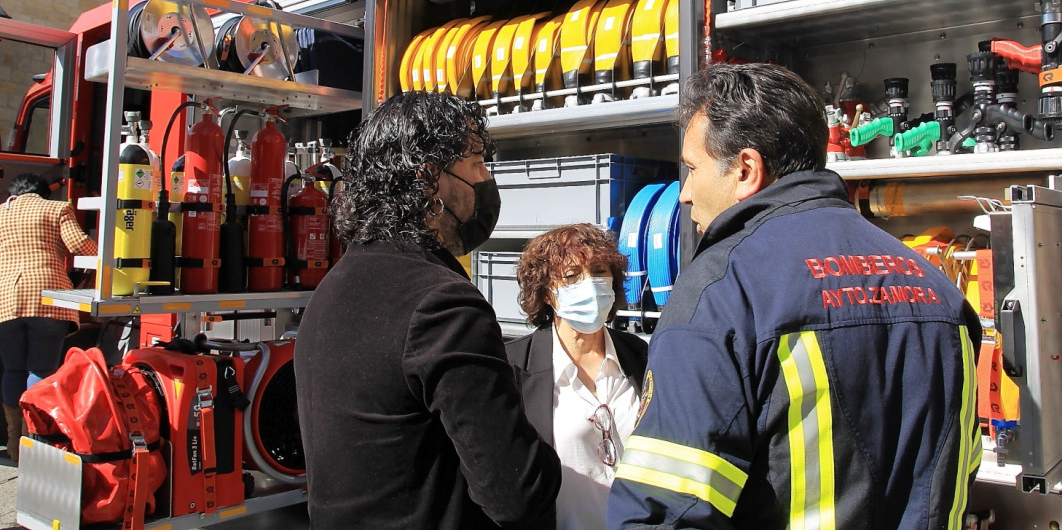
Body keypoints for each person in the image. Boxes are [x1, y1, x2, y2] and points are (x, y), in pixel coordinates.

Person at [607, 63, 982, 530]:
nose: (683, 194)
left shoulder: (723, 290)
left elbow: (662, 513)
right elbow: (959, 467)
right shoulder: (938, 291)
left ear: (746, 170)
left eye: (692, 168)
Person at [295, 92, 561, 530]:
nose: (487, 177)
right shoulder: (442, 304)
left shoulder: (333, 288)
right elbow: (516, 492)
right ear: (428, 179)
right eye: (476, 163)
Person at [506, 224, 648, 530]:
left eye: (599, 271)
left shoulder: (640, 355)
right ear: (546, 292)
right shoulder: (514, 368)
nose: (591, 284)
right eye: (572, 276)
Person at [0, 173, 97, 461]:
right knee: (41, 371)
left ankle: (14, 443)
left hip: (6, 300)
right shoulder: (56, 208)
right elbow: (81, 246)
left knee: (13, 370)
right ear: (43, 193)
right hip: (48, 299)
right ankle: (37, 442)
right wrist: (109, 252)